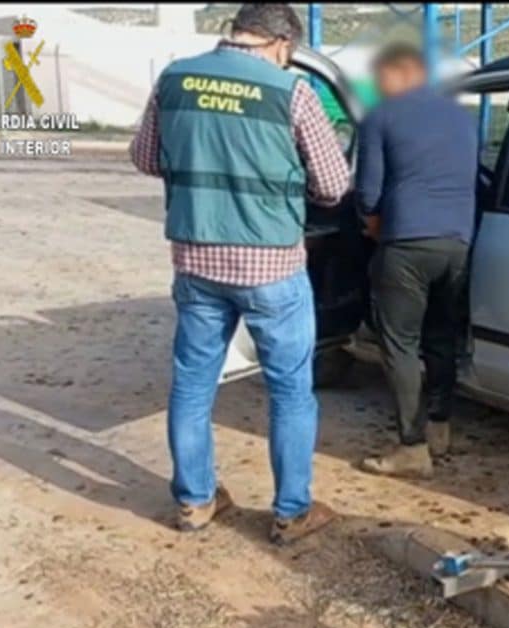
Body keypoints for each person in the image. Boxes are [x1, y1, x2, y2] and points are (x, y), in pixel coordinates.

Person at [129, 4, 350, 544]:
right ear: (282, 43)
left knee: (192, 384)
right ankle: (291, 512)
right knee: (290, 391)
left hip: (196, 259)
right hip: (271, 265)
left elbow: (145, 158)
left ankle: (195, 501)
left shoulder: (175, 78)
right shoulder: (291, 91)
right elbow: (333, 185)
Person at [354, 42, 478, 479]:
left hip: (406, 242)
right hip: (458, 243)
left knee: (401, 344)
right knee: (442, 336)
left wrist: (373, 225)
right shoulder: (462, 119)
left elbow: (368, 191)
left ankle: (412, 446)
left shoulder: (381, 115)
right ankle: (440, 429)